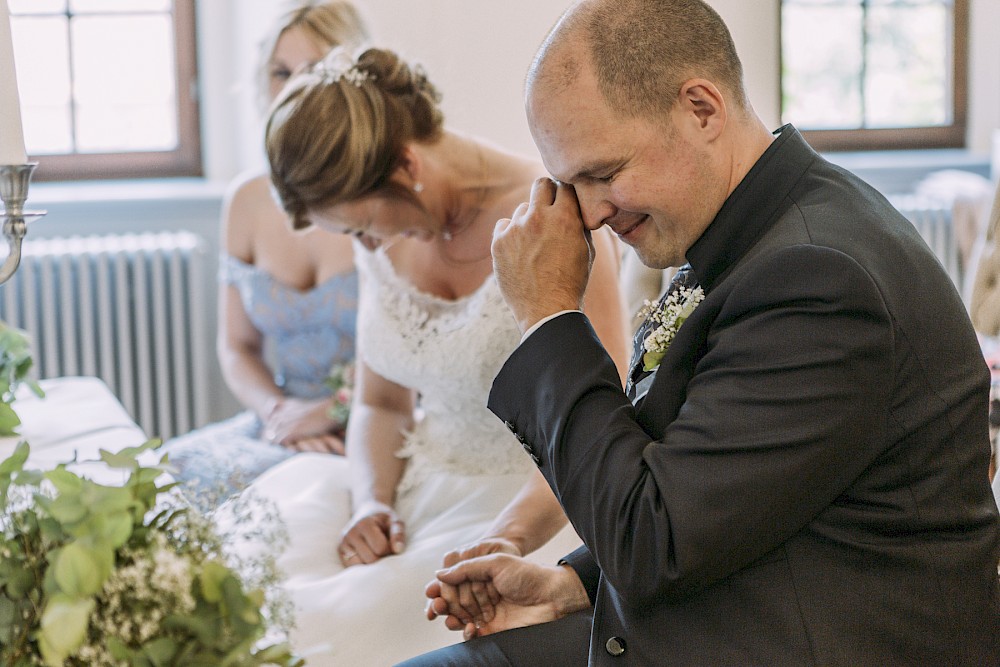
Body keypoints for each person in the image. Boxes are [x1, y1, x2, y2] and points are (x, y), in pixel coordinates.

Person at [411, 0, 1000, 665]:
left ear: (702, 108)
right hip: (741, 605)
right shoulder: (745, 232)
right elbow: (714, 477)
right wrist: (573, 584)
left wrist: (548, 316)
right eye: (572, 184)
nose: (593, 213)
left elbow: (651, 540)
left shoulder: (818, 279)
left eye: (603, 174)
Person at [227, 44, 629, 665]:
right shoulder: (382, 244)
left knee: (343, 633)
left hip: (532, 503)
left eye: (363, 227)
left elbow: (598, 420)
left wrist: (506, 539)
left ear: (407, 164)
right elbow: (381, 404)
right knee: (247, 587)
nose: (365, 246)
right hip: (416, 485)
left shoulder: (552, 218)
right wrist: (372, 502)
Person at [160, 1, 369, 506]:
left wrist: (334, 411)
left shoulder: (382, 199)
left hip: (374, 421)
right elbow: (237, 348)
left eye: (315, 71)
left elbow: (414, 359)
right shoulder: (247, 201)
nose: (294, 88)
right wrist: (281, 415)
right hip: (279, 421)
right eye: (281, 72)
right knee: (164, 482)